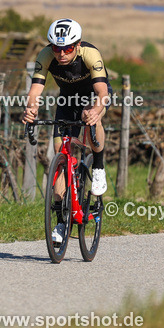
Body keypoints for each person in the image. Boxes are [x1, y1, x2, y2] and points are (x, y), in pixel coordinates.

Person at [21, 18, 110, 244]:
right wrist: (31, 110)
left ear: (77, 45)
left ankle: (98, 166)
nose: (61, 54)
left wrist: (97, 110)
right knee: (60, 151)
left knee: (91, 119)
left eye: (67, 48)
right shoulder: (45, 56)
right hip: (68, 99)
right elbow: (35, 91)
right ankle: (62, 221)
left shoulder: (91, 54)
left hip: (93, 96)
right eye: (56, 48)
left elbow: (102, 91)